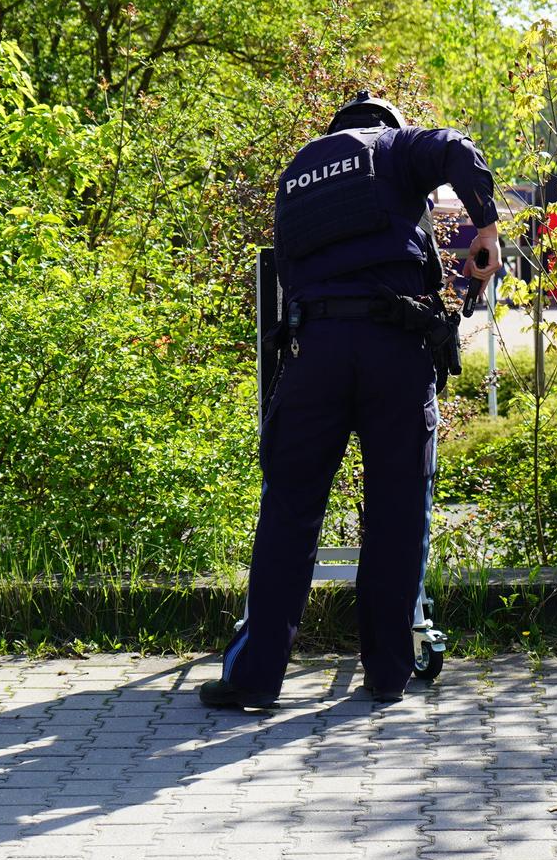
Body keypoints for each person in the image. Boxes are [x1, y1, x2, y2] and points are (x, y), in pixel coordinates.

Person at [199, 92, 501, 710]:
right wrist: (487, 225)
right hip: (394, 353)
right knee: (395, 512)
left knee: (289, 515)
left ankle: (256, 677)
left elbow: (288, 272)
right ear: (389, 124)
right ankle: (387, 674)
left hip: (315, 355)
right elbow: (458, 149)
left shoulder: (297, 173)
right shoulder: (394, 147)